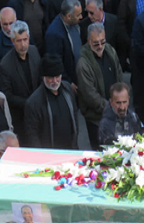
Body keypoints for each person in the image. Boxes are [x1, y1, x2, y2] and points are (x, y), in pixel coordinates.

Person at [76, 22, 123, 150]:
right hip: (96, 119)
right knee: (101, 152)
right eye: (96, 43)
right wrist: (111, 108)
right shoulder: (83, 64)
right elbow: (89, 94)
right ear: (88, 41)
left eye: (103, 42)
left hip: (115, 113)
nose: (100, 46)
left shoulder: (110, 51)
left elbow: (119, 74)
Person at [0, 20, 40, 145]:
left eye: (25, 39)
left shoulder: (34, 52)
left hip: (38, 113)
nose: (23, 45)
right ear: (12, 41)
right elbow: (7, 95)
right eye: (19, 41)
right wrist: (29, 103)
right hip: (21, 117)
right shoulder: (5, 65)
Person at [24, 54, 79, 149]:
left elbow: (74, 118)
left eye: (57, 76)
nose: (55, 81)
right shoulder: (33, 103)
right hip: (49, 153)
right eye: (50, 78)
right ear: (43, 77)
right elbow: (32, 135)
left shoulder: (68, 90)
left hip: (70, 149)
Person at [44, 0, 83, 87]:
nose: (81, 17)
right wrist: (68, 82)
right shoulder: (54, 34)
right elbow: (55, 63)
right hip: (69, 82)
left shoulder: (75, 24)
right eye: (78, 15)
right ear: (68, 16)